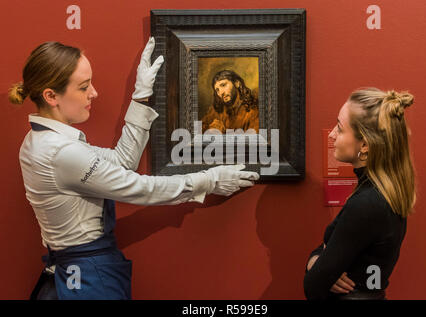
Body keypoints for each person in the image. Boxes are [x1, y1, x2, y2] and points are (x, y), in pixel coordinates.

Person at [9, 38, 259, 300]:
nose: (94, 93)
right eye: (84, 87)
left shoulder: (40, 141)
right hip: (87, 276)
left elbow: (121, 161)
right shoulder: (61, 152)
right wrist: (209, 179)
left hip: (79, 269)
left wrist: (141, 96)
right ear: (51, 96)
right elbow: (139, 188)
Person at [303, 88, 416, 300]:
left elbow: (313, 285)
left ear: (364, 145)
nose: (332, 135)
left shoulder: (367, 203)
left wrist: (317, 263)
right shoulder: (382, 193)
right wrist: (318, 260)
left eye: (339, 128)